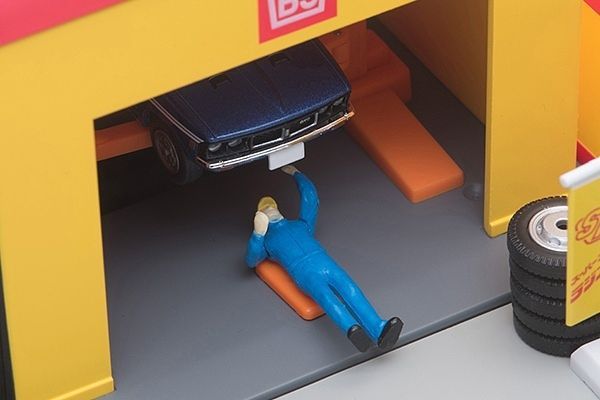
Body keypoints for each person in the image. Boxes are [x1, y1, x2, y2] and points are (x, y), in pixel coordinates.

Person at [245, 165, 403, 352]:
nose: (270, 209)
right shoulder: (268, 242)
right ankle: (352, 330)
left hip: (325, 261)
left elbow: (311, 199)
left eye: (271, 206)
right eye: (265, 209)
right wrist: (258, 234)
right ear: (260, 217)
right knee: (327, 298)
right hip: (304, 272)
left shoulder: (301, 225)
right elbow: (251, 260)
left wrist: (296, 174)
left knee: (351, 289)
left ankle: (378, 327)